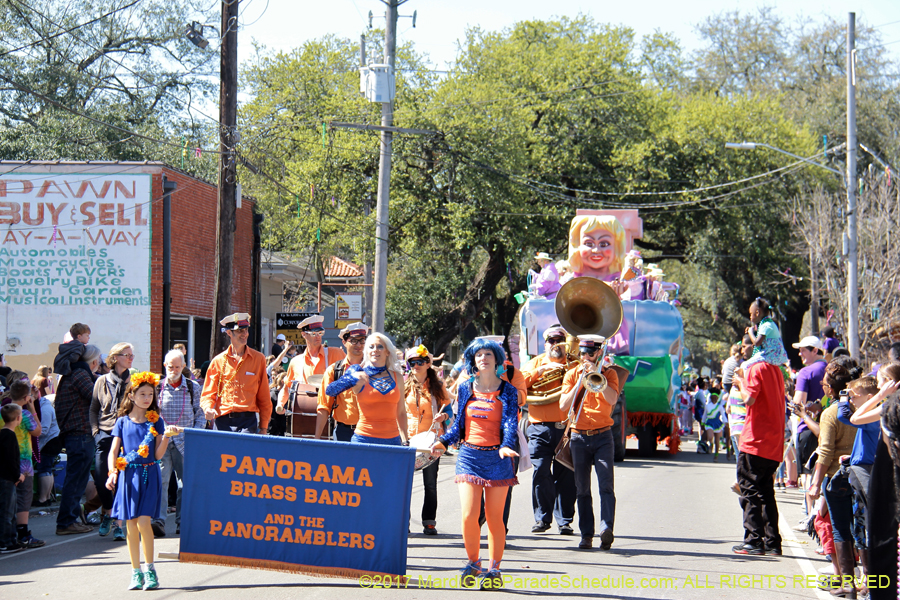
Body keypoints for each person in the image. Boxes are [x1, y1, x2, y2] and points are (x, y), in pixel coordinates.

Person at [428, 339, 519, 589]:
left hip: (498, 458)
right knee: (469, 515)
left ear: (496, 359)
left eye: (488, 354)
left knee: (493, 517)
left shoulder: (508, 391)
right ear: (472, 360)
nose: (483, 358)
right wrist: (444, 442)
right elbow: (458, 426)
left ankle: (494, 569)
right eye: (478, 355)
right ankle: (473, 562)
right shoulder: (466, 388)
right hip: (469, 456)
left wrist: (507, 445)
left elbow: (511, 422)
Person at [106, 372, 177, 590]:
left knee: (144, 522)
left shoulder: (156, 421)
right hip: (128, 476)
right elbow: (114, 450)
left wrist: (166, 437)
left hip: (149, 474)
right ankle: (135, 572)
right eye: (142, 393)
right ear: (132, 395)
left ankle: (150, 569)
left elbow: (156, 456)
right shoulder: (122, 422)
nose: (147, 398)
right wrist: (112, 471)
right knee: (130, 525)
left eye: (150, 394)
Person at [560, 334, 623, 551]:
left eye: (589, 352)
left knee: (606, 485)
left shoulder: (610, 373)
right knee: (582, 488)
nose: (585, 356)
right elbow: (562, 405)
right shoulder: (571, 374)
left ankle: (606, 529)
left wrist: (597, 376)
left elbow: (612, 399)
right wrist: (580, 381)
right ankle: (586, 535)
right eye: (582, 352)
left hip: (603, 436)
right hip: (578, 436)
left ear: (598, 353)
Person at [806, 362, 864, 593]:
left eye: (823, 385)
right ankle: (867, 582)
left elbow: (826, 450)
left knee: (841, 528)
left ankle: (847, 583)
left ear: (830, 389)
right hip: (860, 475)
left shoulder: (831, 414)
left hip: (836, 477)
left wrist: (816, 483)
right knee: (858, 528)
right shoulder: (861, 410)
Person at [520, 324, 577, 535]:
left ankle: (565, 520)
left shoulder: (574, 364)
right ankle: (542, 519)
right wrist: (540, 371)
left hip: (566, 428)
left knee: (566, 475)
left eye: (560, 339)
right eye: (551, 340)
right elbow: (520, 385)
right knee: (541, 470)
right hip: (538, 427)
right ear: (545, 344)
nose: (556, 344)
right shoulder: (534, 363)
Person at [730, 352, 786, 556]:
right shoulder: (776, 370)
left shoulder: (756, 368)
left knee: (749, 490)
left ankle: (753, 540)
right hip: (773, 442)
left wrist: (741, 381)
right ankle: (772, 542)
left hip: (756, 440)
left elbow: (749, 398)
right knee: (766, 493)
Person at [154, 349, 205, 537]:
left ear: (183, 366)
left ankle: (182, 522)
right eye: (170, 366)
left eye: (177, 366)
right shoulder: (157, 387)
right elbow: (152, 416)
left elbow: (200, 415)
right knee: (161, 480)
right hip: (163, 442)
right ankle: (158, 521)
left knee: (185, 483)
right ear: (164, 366)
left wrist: (194, 434)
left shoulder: (192, 387)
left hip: (186, 441)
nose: (173, 370)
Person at [325, 333, 407, 445]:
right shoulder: (359, 374)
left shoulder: (397, 377)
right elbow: (330, 391)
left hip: (392, 439)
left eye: (380, 346)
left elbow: (401, 412)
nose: (375, 350)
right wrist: (351, 378)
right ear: (367, 352)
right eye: (371, 347)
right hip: (364, 439)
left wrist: (405, 440)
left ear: (387, 352)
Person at [55, 344, 102, 535]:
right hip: (80, 433)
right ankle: (67, 522)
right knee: (76, 481)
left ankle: (70, 519)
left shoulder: (72, 374)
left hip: (77, 433)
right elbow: (97, 398)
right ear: (93, 361)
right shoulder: (81, 375)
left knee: (77, 480)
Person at [90, 342, 135, 540]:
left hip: (126, 434)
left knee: (122, 479)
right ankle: (108, 512)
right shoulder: (101, 381)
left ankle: (118, 523)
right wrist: (95, 432)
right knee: (101, 478)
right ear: (115, 357)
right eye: (127, 355)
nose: (131, 358)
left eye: (132, 355)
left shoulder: (134, 381)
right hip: (105, 433)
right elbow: (93, 408)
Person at [404, 345, 450, 535]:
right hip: (407, 440)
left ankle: (429, 521)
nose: (416, 365)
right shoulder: (403, 384)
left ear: (428, 363)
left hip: (430, 440)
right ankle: (402, 522)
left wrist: (444, 417)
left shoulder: (437, 385)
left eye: (420, 362)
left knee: (430, 483)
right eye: (412, 362)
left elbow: (448, 410)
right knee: (404, 484)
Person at [201, 313, 271, 434]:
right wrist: (207, 408)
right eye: (240, 331)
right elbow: (208, 393)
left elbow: (264, 396)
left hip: (248, 422)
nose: (244, 334)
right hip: (222, 420)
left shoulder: (258, 359)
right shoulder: (218, 361)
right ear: (229, 333)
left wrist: (264, 427)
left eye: (246, 330)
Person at [2, 381, 43, 548]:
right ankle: (23, 532)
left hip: (4, 461)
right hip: (23, 461)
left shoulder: (2, 411)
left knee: (7, 502)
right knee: (23, 498)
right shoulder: (23, 414)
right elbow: (38, 431)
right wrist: (32, 408)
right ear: (26, 397)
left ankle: (10, 535)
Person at [314, 323, 368, 441]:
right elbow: (324, 406)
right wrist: (317, 438)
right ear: (344, 342)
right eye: (353, 341)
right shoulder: (334, 370)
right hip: (344, 432)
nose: (359, 345)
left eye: (362, 341)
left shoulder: (374, 369)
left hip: (370, 431)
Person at [279, 315, 345, 412]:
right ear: (303, 335)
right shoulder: (296, 362)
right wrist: (280, 404)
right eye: (314, 333)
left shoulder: (336, 354)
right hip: (304, 414)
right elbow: (287, 387)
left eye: (320, 332)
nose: (318, 336)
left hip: (331, 413)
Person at [740, 297, 788, 371]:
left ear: (757, 313)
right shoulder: (767, 323)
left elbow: (757, 343)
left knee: (745, 365)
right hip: (770, 354)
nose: (750, 317)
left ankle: (745, 382)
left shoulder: (767, 325)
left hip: (772, 356)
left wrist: (750, 333)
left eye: (750, 314)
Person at [0, 403, 24, 553]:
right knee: (7, 511)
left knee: (8, 510)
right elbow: (11, 459)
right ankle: (6, 542)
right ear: (18, 418)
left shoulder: (2, 434)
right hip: (7, 478)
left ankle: (11, 539)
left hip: (5, 477)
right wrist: (18, 475)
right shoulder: (9, 435)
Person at [32, 385, 61, 507]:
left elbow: (43, 429)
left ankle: (43, 498)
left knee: (44, 468)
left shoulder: (45, 409)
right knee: (48, 469)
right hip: (53, 441)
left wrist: (32, 433)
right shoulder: (46, 407)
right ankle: (47, 497)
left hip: (50, 441)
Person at [703, 388, 726, 462]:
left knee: (717, 440)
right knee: (710, 436)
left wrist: (726, 422)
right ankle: (711, 444)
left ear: (717, 398)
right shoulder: (707, 406)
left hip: (717, 423)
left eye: (715, 398)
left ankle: (716, 455)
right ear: (711, 398)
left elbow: (723, 415)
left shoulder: (719, 406)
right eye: (713, 398)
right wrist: (703, 422)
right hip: (709, 422)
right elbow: (704, 415)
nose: (714, 399)